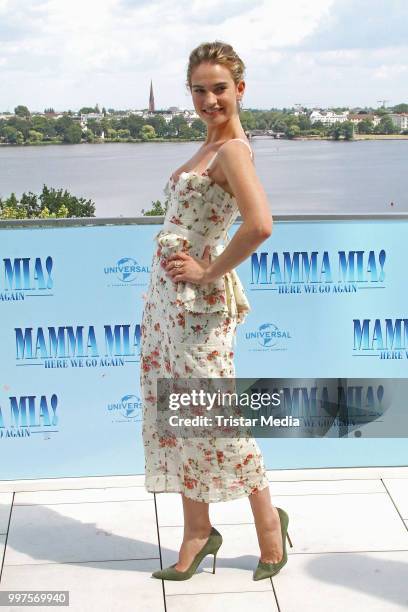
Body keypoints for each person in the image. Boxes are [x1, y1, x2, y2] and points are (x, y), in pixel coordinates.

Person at [140, 40, 290, 582]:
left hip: (198, 310)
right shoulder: (207, 144)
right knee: (180, 419)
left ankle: (271, 527)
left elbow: (260, 225)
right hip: (168, 310)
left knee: (217, 418)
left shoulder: (232, 151)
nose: (209, 99)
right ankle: (198, 533)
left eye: (219, 88)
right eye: (199, 90)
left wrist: (209, 270)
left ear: (240, 90)